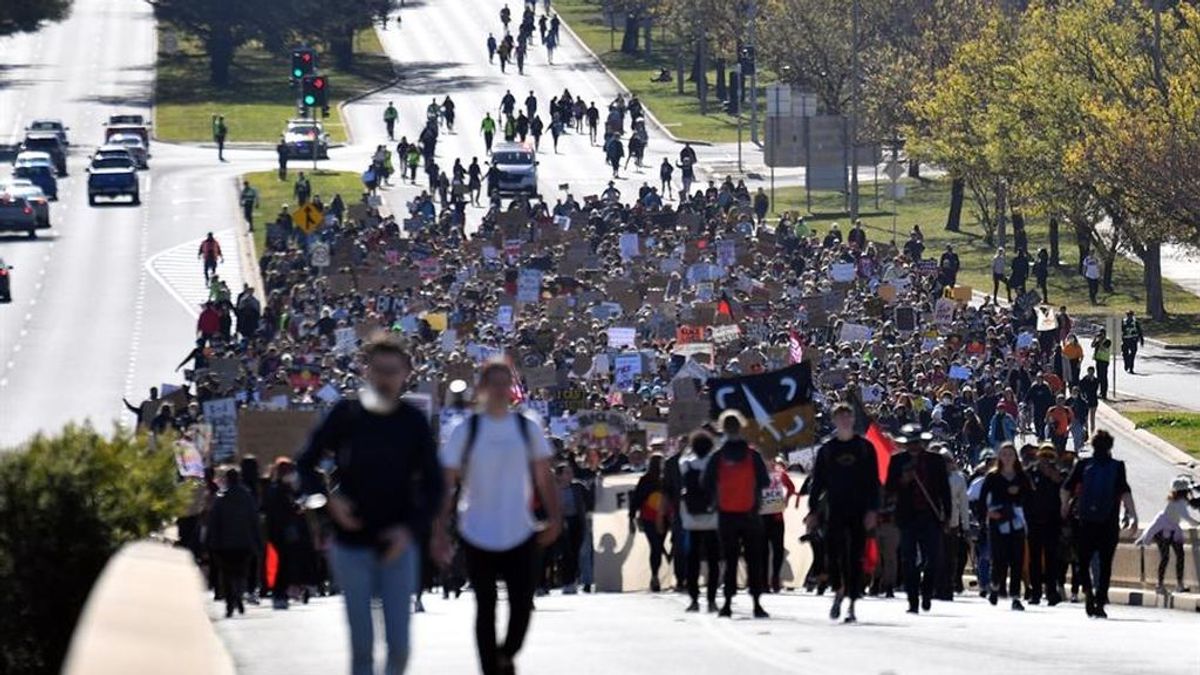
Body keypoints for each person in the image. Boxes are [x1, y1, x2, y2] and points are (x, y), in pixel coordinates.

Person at [295, 334, 444, 675]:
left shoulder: (412, 422)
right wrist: (328, 502)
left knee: (400, 647)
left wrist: (410, 531)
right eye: (378, 370)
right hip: (351, 546)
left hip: (398, 544)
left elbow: (435, 486)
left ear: (406, 373)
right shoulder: (346, 415)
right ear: (366, 371)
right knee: (362, 647)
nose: (385, 378)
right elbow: (306, 463)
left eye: (393, 371)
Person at [435, 360, 562, 675]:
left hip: (520, 529)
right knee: (486, 608)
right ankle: (490, 668)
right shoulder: (465, 429)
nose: (500, 389)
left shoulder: (527, 426)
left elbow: (544, 477)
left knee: (522, 606)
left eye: (505, 383)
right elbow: (447, 482)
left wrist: (556, 518)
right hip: (476, 530)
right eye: (493, 382)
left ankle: (506, 654)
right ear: (481, 388)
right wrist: (438, 529)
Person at [807, 402, 880, 623]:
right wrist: (812, 511)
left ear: (852, 420)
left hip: (858, 510)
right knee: (834, 554)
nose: (845, 421)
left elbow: (873, 483)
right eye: (841, 417)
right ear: (834, 421)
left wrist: (872, 511)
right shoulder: (827, 450)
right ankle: (838, 589)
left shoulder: (864, 448)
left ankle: (852, 602)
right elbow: (817, 483)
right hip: (834, 510)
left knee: (855, 556)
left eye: (848, 417)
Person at [1059, 430, 1138, 618]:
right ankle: (1100, 600)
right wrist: (1133, 515)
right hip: (1108, 522)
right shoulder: (1118, 466)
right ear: (1110, 446)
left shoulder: (1084, 464)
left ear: (1093, 445)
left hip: (1085, 521)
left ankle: (1088, 593)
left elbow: (1066, 488)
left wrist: (1064, 508)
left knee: (1083, 562)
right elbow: (1125, 491)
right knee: (1105, 564)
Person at [703, 411, 770, 619]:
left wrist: (717, 498)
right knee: (754, 560)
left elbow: (706, 482)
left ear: (723, 429)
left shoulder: (718, 455)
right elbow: (765, 482)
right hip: (750, 514)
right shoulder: (752, 454)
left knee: (730, 560)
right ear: (741, 428)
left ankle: (728, 605)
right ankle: (757, 604)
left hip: (726, 514)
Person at [886, 423, 951, 614]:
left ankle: (927, 591)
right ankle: (912, 600)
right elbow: (889, 488)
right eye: (910, 444)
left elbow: (944, 491)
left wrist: (947, 515)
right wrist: (903, 481)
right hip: (907, 517)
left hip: (930, 516)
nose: (914, 447)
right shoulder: (897, 461)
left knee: (933, 558)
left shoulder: (935, 461)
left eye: (917, 443)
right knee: (908, 558)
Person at [206, 466, 262, 618]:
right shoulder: (247, 497)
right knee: (241, 572)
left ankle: (231, 600)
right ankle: (238, 594)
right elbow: (254, 521)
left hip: (224, 544)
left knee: (227, 573)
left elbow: (214, 522)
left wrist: (210, 542)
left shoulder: (221, 498)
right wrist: (258, 542)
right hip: (245, 542)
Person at [981, 442, 1032, 611]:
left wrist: (1020, 496)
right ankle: (995, 586)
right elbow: (981, 501)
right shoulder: (992, 477)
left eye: (1011, 454)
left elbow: (1031, 496)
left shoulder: (1022, 476)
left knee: (1017, 558)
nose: (1008, 458)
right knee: (999, 558)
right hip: (998, 520)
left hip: (1016, 519)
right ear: (999, 457)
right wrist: (988, 513)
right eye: (1004, 454)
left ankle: (1016, 596)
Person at [679, 431, 721, 613]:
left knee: (693, 560)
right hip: (713, 517)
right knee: (713, 560)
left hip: (691, 517)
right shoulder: (716, 463)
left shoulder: (686, 463)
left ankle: (694, 599)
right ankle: (712, 600)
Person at [1135, 477, 1199, 593]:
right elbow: (1187, 518)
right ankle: (1163, 585)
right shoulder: (1179, 504)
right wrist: (1197, 523)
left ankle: (1175, 584)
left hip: (1173, 530)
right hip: (1163, 532)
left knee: (1176, 556)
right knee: (1168, 557)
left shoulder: (1177, 502)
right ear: (1184, 492)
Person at [264, 458, 310, 610]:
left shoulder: (276, 488)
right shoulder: (281, 489)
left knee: (283, 563)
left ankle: (281, 593)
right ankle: (280, 594)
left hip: (277, 532)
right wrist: (297, 508)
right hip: (284, 532)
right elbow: (285, 510)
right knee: (283, 563)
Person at [1026, 444, 1064, 605]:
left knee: (1052, 559)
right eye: (1044, 457)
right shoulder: (1030, 473)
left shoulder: (1059, 474)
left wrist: (1055, 477)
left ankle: (1051, 592)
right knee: (1034, 559)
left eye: (1050, 457)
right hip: (1033, 522)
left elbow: (1066, 491)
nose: (1047, 461)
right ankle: (1035, 592)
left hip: (1052, 522)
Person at [628, 453, 669, 591]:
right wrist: (631, 518)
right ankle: (655, 576)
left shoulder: (666, 480)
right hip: (648, 518)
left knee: (659, 545)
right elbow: (636, 500)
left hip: (664, 518)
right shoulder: (645, 480)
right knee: (655, 546)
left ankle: (657, 573)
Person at [1091, 332, 1112, 399]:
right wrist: (1095, 339)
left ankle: (1104, 393)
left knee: (1103, 378)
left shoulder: (1107, 341)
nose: (1099, 336)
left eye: (1101, 335)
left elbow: (1104, 347)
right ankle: (1100, 391)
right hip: (1098, 360)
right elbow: (1092, 345)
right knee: (1099, 377)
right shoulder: (1098, 341)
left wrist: (1100, 342)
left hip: (1104, 361)